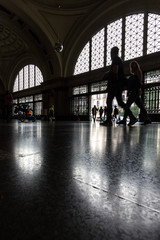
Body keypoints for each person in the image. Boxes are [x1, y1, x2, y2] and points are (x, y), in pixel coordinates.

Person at [101, 46, 137, 126]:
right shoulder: (120, 60)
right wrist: (108, 73)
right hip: (119, 85)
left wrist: (111, 82)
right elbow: (115, 70)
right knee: (120, 102)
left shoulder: (115, 60)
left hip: (115, 85)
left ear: (113, 52)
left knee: (109, 101)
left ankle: (109, 121)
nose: (110, 55)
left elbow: (115, 70)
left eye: (110, 53)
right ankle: (132, 117)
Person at [117, 61, 151, 125]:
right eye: (132, 65)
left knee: (127, 106)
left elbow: (138, 83)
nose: (133, 66)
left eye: (134, 65)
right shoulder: (134, 75)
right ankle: (147, 119)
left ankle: (127, 119)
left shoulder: (138, 72)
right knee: (140, 106)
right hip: (134, 92)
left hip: (134, 92)